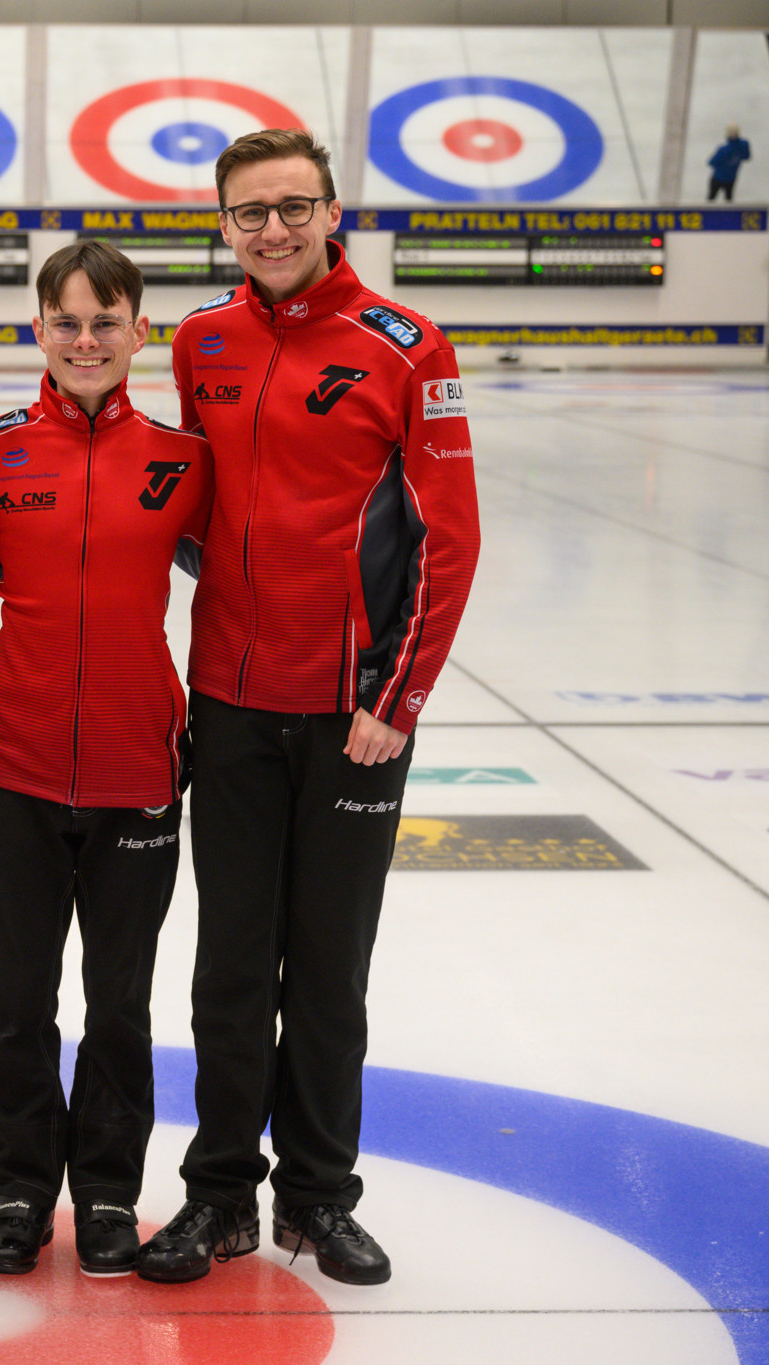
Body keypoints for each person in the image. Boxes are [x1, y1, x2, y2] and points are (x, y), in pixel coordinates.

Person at [135, 128, 480, 1286]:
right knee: (230, 968)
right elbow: (188, 505)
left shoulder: (403, 346)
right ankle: (220, 1195)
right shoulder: (197, 341)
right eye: (248, 212)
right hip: (228, 705)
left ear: (331, 211)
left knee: (326, 973)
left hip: (353, 720)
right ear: (222, 223)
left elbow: (450, 536)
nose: (270, 230)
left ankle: (319, 1197)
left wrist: (396, 694)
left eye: (291, 207)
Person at [0, 240, 211, 1278]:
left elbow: (242, 579)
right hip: (13, 764)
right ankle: (18, 1189)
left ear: (138, 331)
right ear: (38, 333)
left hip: (135, 765)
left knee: (119, 1000)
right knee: (17, 1000)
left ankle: (107, 1195)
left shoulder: (184, 463)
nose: (85, 340)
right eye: (65, 321)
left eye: (106, 321)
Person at [708, 125, 750, 201]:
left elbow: (712, 163)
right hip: (731, 177)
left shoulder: (723, 150)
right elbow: (746, 157)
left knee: (711, 198)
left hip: (718, 177)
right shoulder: (744, 145)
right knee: (729, 198)